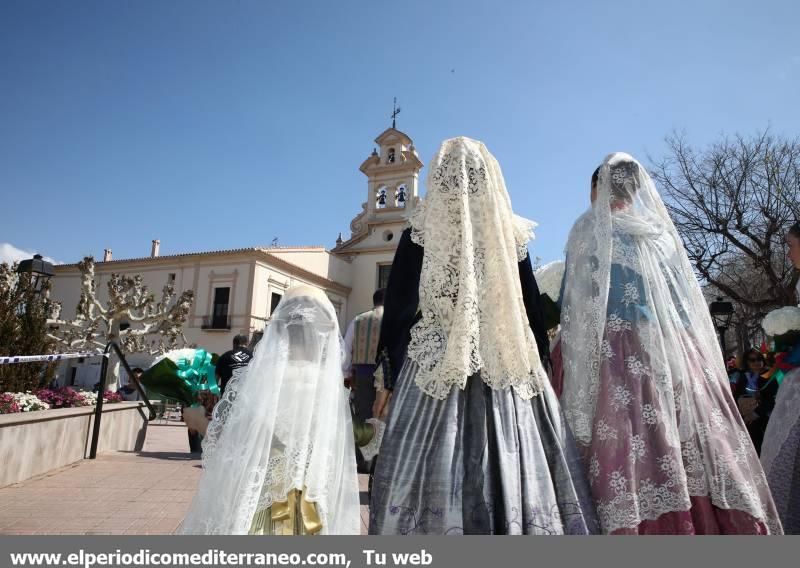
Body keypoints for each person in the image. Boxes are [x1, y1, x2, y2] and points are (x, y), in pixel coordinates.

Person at [368, 137, 598, 535]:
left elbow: (400, 310)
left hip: (438, 365)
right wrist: (541, 364)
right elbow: (529, 309)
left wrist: (387, 377)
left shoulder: (422, 230)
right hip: (507, 362)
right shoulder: (508, 232)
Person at [558, 152, 781, 534]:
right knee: (684, 438)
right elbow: (682, 303)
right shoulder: (658, 231)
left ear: (598, 187)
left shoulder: (589, 228)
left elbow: (576, 301)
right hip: (674, 349)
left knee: (625, 444)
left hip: (613, 351)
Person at [179, 286, 361, 535]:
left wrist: (199, 421)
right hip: (313, 502)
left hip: (264, 497)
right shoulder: (328, 387)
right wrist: (376, 428)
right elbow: (348, 435)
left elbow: (235, 441)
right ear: (326, 332)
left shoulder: (261, 380)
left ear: (278, 329)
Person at [343, 288, 385, 421]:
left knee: (363, 415)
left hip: (362, 375)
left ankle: (364, 441)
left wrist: (347, 374)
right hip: (386, 376)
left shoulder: (358, 319)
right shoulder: (392, 319)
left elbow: (346, 349)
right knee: (383, 415)